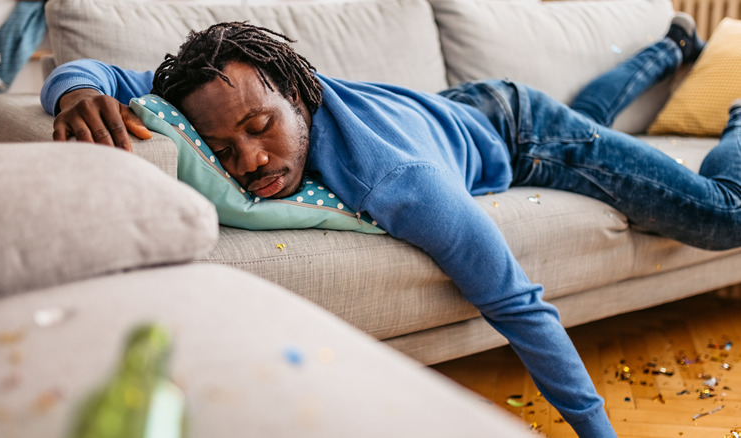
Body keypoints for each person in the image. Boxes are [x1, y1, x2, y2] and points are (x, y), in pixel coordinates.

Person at [40, 13, 741, 437]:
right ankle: (671, 49)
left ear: (300, 94)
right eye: (222, 151)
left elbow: (518, 304)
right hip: (466, 105)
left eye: (261, 129)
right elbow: (89, 68)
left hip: (531, 138)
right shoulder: (219, 96)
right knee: (586, 121)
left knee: (725, 212)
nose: (249, 161)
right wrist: (75, 91)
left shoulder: (400, 183)